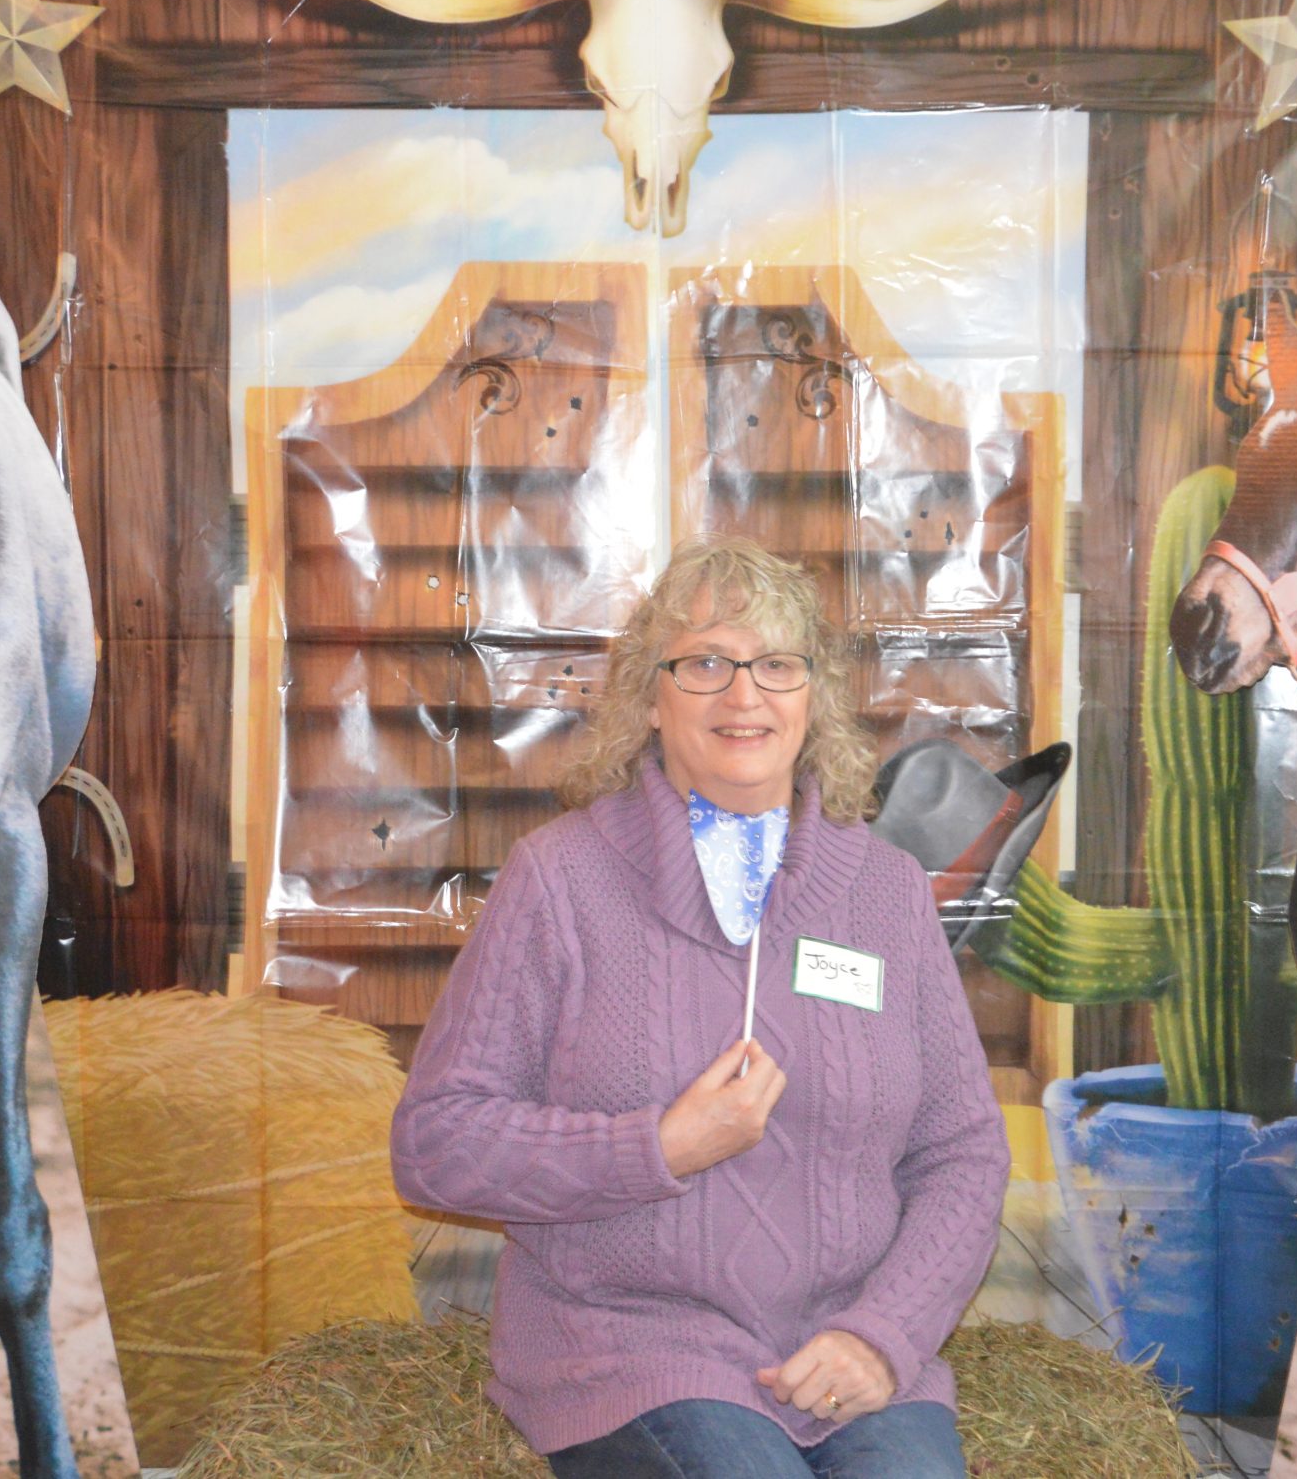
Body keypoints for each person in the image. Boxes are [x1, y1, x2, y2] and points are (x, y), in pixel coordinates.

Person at [390, 534, 1011, 1479]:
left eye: (776, 664)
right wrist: (660, 1147)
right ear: (649, 698)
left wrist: (883, 1336)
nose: (744, 694)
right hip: (636, 1351)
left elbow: (961, 1152)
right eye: (705, 663)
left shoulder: (886, 893)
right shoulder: (561, 879)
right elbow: (437, 1143)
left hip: (845, 1352)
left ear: (813, 696)